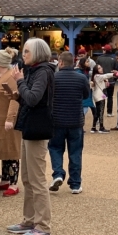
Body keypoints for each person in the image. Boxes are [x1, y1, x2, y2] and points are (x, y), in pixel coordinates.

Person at [7, 38, 56, 235]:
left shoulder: (43, 71)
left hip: (38, 127)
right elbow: (28, 97)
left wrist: (19, 81)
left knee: (37, 179)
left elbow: (34, 98)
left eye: (26, 51)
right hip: (28, 126)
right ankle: (29, 219)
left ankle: (43, 225)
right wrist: (16, 93)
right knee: (27, 178)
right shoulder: (34, 71)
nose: (23, 54)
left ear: (36, 53)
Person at [50, 51, 88, 193]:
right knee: (75, 152)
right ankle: (75, 183)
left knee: (55, 148)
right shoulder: (81, 78)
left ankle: (58, 173)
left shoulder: (53, 78)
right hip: (75, 120)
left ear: (60, 62)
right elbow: (85, 95)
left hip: (57, 120)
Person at [0, 48, 22, 197]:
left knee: (11, 151)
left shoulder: (9, 79)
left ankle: (14, 183)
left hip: (7, 121)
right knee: (3, 150)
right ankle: (5, 179)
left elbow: (14, 99)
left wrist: (10, 119)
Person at [90, 64, 113, 133]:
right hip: (100, 95)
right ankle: (101, 127)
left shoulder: (96, 76)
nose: (101, 69)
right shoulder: (98, 76)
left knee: (97, 111)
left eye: (101, 67)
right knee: (101, 111)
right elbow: (106, 75)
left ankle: (93, 127)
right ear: (96, 70)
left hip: (98, 95)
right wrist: (114, 74)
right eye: (99, 68)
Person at [96, 45, 117, 116]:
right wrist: (114, 79)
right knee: (110, 97)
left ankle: (100, 112)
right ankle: (109, 112)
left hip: (102, 80)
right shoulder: (113, 59)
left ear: (105, 50)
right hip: (111, 80)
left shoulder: (99, 58)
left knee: (102, 97)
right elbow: (116, 70)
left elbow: (96, 69)